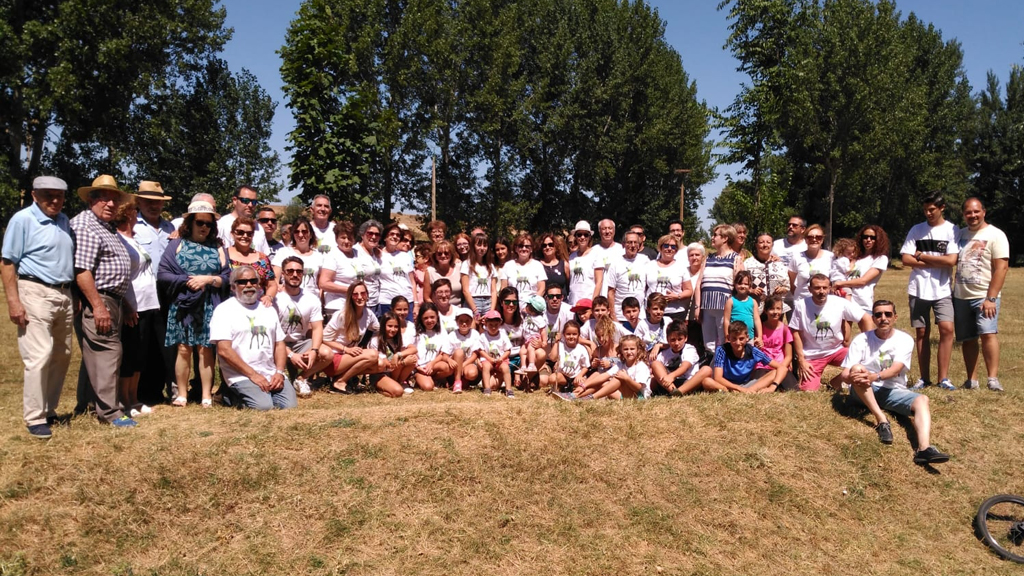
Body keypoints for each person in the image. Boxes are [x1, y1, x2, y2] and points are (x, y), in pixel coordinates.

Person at [1, 176, 75, 438]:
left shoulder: (64, 220)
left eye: (59, 195)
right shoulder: (22, 220)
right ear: (34, 195)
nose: (54, 200)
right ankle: (34, 417)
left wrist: (72, 297)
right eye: (48, 195)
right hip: (34, 291)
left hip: (64, 293)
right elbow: (8, 262)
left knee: (62, 354)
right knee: (39, 356)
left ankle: (49, 410)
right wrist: (13, 301)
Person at [838, 300, 950, 465]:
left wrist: (873, 376)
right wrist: (853, 377)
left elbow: (896, 369)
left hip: (893, 390)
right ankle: (882, 420)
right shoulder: (861, 339)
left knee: (922, 400)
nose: (883, 318)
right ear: (873, 318)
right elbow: (845, 373)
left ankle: (924, 449)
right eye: (878, 315)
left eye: (888, 314)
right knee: (857, 367)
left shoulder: (904, 339)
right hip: (863, 389)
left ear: (895, 317)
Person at [69, 175, 136, 427]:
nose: (110, 203)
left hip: (112, 299)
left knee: (95, 354)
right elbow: (82, 270)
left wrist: (124, 303)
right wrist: (97, 306)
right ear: (91, 199)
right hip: (99, 299)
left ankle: (87, 403)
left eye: (114, 199)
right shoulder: (86, 225)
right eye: (103, 198)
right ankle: (110, 413)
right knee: (109, 352)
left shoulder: (104, 225)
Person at [158, 201, 231, 408]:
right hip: (183, 304)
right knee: (183, 349)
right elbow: (163, 273)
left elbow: (227, 277)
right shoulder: (177, 244)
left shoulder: (218, 246)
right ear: (190, 222)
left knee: (205, 349)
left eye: (208, 223)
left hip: (209, 304)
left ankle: (206, 395)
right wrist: (188, 280)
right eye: (200, 222)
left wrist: (208, 280)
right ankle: (181, 394)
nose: (204, 227)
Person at [210, 265, 296, 411]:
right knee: (263, 407)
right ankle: (227, 395)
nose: (248, 285)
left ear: (258, 284)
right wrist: (254, 375)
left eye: (253, 281)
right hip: (241, 375)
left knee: (290, 406)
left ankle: (261, 393)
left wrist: (280, 372)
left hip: (269, 372)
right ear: (233, 287)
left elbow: (279, 344)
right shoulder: (224, 310)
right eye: (242, 282)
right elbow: (224, 350)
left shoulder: (268, 309)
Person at [900, 192, 959, 391]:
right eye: (925, 210)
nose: (928, 213)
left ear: (942, 208)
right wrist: (935, 261)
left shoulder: (952, 230)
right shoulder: (917, 230)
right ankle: (924, 378)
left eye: (932, 209)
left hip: (942, 289)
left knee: (947, 329)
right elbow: (906, 259)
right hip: (918, 288)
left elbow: (951, 261)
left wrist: (922, 256)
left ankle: (943, 378)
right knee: (922, 332)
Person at [954, 197, 1009, 391]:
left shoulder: (996, 234)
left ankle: (992, 379)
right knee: (968, 338)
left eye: (976, 211)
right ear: (964, 214)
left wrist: (990, 298)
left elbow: (1001, 268)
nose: (972, 215)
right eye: (968, 212)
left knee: (988, 334)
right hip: (961, 296)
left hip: (984, 296)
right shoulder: (959, 235)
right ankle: (972, 380)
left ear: (984, 212)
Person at [113, 197, 159, 418]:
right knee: (130, 355)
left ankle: (135, 397)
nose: (136, 216)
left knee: (141, 355)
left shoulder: (135, 239)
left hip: (149, 304)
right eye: (133, 212)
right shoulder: (118, 239)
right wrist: (127, 305)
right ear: (127, 214)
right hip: (133, 304)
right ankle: (125, 399)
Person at [131, 180, 175, 405]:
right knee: (142, 340)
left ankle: (157, 391)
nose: (153, 206)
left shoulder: (170, 228)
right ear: (138, 201)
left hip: (166, 291)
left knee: (163, 342)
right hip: (141, 290)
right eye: (148, 201)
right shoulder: (132, 226)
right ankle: (139, 392)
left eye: (157, 202)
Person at [790, 274, 873, 391]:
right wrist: (801, 360)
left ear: (830, 288)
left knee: (867, 359)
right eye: (817, 288)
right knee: (808, 390)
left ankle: (837, 381)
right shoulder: (801, 305)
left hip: (836, 350)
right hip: (813, 355)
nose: (821, 291)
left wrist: (870, 345)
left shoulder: (840, 302)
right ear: (809, 289)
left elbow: (866, 318)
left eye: (825, 288)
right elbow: (796, 333)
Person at [276, 256, 334, 398]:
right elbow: (272, 335)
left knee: (327, 353)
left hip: (299, 343)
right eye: (290, 271)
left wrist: (314, 350)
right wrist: (290, 354)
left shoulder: (311, 298)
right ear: (283, 274)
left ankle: (301, 379)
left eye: (299, 271)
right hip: (276, 345)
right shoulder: (275, 298)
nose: (295, 275)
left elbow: (317, 328)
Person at [323, 281, 380, 393]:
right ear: (350, 297)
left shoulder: (368, 314)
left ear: (367, 295)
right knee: (373, 355)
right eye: (355, 294)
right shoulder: (341, 315)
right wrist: (346, 349)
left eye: (363, 293)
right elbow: (324, 339)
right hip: (335, 358)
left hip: (351, 356)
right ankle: (340, 381)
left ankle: (346, 379)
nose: (359, 297)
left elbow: (377, 329)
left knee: (381, 364)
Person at [702, 321, 787, 393]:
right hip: (727, 384)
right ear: (728, 338)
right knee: (707, 381)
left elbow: (782, 368)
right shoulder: (722, 350)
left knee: (774, 372)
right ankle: (735, 392)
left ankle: (749, 391)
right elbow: (718, 377)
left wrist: (772, 387)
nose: (737, 342)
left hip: (747, 384)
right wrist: (738, 388)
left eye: (741, 338)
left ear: (747, 338)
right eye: (734, 338)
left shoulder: (753, 351)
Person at [698, 224, 744, 354]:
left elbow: (740, 284)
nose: (712, 238)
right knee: (709, 343)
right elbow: (699, 283)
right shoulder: (708, 258)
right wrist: (697, 307)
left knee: (724, 340)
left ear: (725, 238)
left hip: (724, 306)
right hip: (707, 305)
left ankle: (722, 371)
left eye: (715, 235)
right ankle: (712, 370)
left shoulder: (735, 258)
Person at [833, 225, 890, 314]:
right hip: (845, 299)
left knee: (868, 328)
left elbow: (863, 281)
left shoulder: (880, 258)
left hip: (863, 302)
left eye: (872, 237)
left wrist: (839, 283)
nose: (868, 240)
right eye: (865, 237)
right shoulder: (854, 256)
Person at [752, 294, 800, 391]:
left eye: (778, 309)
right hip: (762, 365)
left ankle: (774, 386)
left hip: (780, 365)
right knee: (756, 386)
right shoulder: (760, 328)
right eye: (772, 309)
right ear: (765, 310)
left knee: (793, 390)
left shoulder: (785, 330)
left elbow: (789, 356)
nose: (775, 312)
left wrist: (781, 368)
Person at [319, 221, 367, 314]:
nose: (346, 241)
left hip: (355, 305)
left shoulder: (358, 253)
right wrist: (350, 290)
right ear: (336, 238)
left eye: (350, 238)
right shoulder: (333, 256)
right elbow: (323, 283)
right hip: (337, 307)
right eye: (343, 237)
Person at [227, 217, 277, 306]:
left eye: (249, 233)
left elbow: (272, 284)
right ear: (232, 234)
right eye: (240, 232)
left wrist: (268, 297)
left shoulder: (262, 258)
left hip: (256, 308)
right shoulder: (224, 255)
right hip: (231, 307)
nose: (245, 236)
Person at [652, 321, 710, 396]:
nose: (676, 343)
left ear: (686, 338)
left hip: (688, 382)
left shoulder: (689, 349)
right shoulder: (664, 354)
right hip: (670, 384)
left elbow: (685, 367)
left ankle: (679, 392)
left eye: (680, 339)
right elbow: (657, 371)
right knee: (655, 364)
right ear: (667, 339)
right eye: (673, 340)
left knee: (706, 369)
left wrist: (671, 376)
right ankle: (673, 391)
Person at [643, 234, 692, 324]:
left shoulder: (681, 267)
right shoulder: (649, 265)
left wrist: (677, 297)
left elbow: (689, 290)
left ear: (676, 250)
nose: (669, 249)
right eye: (666, 246)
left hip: (675, 312)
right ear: (660, 248)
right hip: (653, 312)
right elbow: (644, 288)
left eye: (673, 247)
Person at [272, 216, 322, 299]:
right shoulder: (283, 252)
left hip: (312, 302)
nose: (300, 234)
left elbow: (320, 285)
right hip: (287, 300)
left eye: (304, 231)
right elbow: (275, 278)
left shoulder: (319, 257)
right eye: (296, 231)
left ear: (311, 234)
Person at [412, 302, 456, 391]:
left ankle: (435, 379)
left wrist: (432, 364)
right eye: (426, 318)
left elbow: (442, 352)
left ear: (437, 317)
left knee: (448, 368)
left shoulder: (441, 331)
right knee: (428, 387)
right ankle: (419, 379)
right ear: (421, 318)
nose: (429, 320)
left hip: (434, 365)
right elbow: (412, 352)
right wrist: (418, 367)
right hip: (420, 367)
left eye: (432, 317)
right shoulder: (415, 332)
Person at [606, 231, 651, 320]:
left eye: (635, 242)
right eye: (629, 242)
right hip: (621, 316)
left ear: (639, 244)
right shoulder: (615, 263)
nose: (633, 245)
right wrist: (613, 315)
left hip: (640, 316)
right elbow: (611, 292)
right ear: (623, 244)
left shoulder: (645, 260)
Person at [377, 222, 417, 318]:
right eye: (392, 234)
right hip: (387, 302)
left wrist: (416, 303)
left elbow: (412, 282)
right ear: (385, 237)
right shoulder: (377, 256)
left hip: (407, 302)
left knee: (408, 330)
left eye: (398, 235)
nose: (395, 237)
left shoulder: (405, 256)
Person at [744, 232, 790, 312]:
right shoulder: (747, 264)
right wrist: (751, 290)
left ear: (772, 245)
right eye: (761, 242)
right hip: (754, 309)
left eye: (768, 242)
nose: (765, 245)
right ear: (756, 245)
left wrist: (782, 289)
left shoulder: (779, 264)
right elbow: (740, 284)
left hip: (775, 310)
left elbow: (787, 286)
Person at [218, 185, 270, 254]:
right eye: (246, 201)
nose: (250, 205)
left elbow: (265, 255)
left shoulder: (259, 228)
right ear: (235, 200)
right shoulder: (221, 225)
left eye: (254, 202)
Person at [788, 223, 834, 301]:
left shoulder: (831, 257)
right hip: (801, 302)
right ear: (805, 240)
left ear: (822, 240)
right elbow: (792, 284)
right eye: (810, 237)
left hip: (823, 302)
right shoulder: (797, 257)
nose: (814, 239)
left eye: (818, 237)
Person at [462, 232, 499, 317]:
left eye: (485, 245)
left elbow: (493, 291)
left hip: (488, 302)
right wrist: (475, 310)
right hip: (473, 301)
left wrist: (491, 311)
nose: (482, 248)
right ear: (473, 246)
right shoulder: (467, 264)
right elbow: (465, 290)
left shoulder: (490, 266)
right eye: (479, 245)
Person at [500, 233, 546, 301]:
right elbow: (503, 288)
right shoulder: (508, 265)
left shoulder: (538, 265)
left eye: (527, 246)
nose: (524, 248)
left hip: (532, 305)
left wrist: (532, 304)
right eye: (521, 246)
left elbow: (542, 289)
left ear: (531, 249)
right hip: (513, 305)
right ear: (516, 249)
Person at [568, 220, 605, 304]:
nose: (582, 237)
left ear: (589, 237)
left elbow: (599, 282)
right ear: (575, 237)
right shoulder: (571, 257)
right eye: (579, 234)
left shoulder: (596, 254)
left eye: (585, 234)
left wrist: (593, 303)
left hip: (588, 301)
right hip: (573, 301)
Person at [478, 309, 514, 396]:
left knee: (505, 368)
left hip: (500, 359)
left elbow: (508, 350)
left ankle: (508, 389)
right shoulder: (483, 336)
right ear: (485, 324)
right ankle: (487, 388)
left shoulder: (503, 335)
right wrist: (489, 359)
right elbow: (480, 350)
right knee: (486, 366)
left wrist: (501, 358)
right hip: (488, 359)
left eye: (496, 325)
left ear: (500, 324)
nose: (493, 327)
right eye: (490, 325)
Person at [447, 308, 482, 393]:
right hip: (455, 364)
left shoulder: (475, 334)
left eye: (467, 321)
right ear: (456, 321)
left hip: (468, 362)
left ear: (472, 321)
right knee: (459, 352)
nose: (464, 324)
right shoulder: (452, 335)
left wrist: (463, 365)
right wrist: (451, 361)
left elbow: (475, 354)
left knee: (471, 373)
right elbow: (445, 353)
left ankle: (464, 382)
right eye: (461, 321)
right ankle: (457, 382)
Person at [354, 220, 384, 311]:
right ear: (362, 235)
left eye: (377, 234)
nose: (373, 237)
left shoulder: (376, 253)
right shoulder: (355, 252)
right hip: (361, 303)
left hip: (376, 302)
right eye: (370, 233)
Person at [423, 240, 463, 308]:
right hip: (439, 311)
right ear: (435, 255)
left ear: (451, 254)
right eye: (439, 253)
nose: (443, 256)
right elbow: (426, 297)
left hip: (459, 310)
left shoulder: (459, 268)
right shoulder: (430, 272)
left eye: (446, 253)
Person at [724, 270, 761, 342]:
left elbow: (757, 320)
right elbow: (726, 320)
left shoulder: (753, 302)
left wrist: (759, 336)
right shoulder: (730, 301)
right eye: (740, 283)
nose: (742, 286)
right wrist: (727, 336)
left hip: (749, 338)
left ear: (750, 286)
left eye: (746, 284)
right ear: (735, 284)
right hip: (735, 338)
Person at [590, 218, 625, 296]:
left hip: (616, 297)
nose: (607, 231)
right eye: (604, 229)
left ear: (614, 231)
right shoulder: (593, 251)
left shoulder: (622, 250)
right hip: (598, 297)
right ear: (599, 231)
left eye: (610, 228)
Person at [536, 232, 570, 296]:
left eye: (550, 244)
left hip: (562, 303)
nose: (547, 247)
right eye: (544, 245)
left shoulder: (564, 265)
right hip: (543, 304)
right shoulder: (537, 265)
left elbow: (569, 287)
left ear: (556, 246)